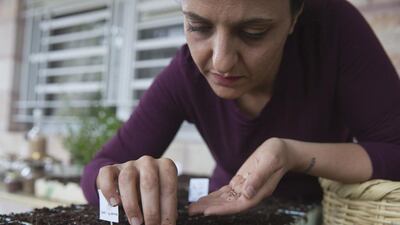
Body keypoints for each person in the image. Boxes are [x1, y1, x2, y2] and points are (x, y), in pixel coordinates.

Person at [81, 0, 400, 224]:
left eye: (254, 32)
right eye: (197, 26)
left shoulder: (332, 29)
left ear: (295, 15)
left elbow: (394, 149)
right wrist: (124, 180)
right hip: (229, 212)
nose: (220, 61)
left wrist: (291, 154)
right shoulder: (186, 75)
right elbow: (97, 170)